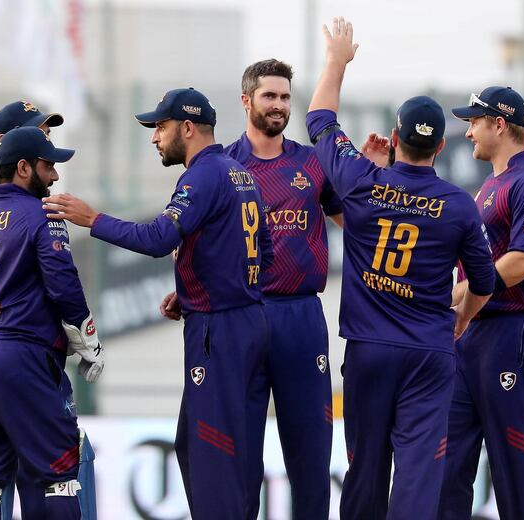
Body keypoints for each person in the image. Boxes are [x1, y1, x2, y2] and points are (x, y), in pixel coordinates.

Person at [42, 87, 274, 519]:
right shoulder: (240, 173)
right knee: (213, 448)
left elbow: (158, 239)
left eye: (160, 127)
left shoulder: (201, 176)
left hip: (219, 331)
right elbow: (265, 251)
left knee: (212, 452)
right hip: (245, 322)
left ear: (187, 127)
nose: (155, 138)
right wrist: (196, 289)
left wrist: (93, 219)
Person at [306, 17, 495, 519]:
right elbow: (484, 282)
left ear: (394, 137)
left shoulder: (363, 180)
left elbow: (320, 120)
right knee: (417, 475)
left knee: (365, 469)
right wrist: (463, 318)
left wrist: (336, 61)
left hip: (368, 351)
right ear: (440, 147)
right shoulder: (459, 206)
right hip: (429, 355)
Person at [158, 59, 343, 519]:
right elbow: (201, 239)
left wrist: (374, 178)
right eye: (269, 96)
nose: (279, 105)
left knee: (310, 455)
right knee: (232, 453)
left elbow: (353, 223)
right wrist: (192, 291)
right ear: (246, 101)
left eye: (284, 97)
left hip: (300, 318)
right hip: (241, 317)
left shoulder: (310, 162)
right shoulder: (223, 165)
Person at [0, 126, 103, 519]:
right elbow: (63, 284)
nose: (53, 176)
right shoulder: (41, 214)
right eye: (48, 166)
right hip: (22, 355)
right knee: (57, 472)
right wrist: (87, 337)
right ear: (22, 168)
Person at [438, 86, 524, 520]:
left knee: (512, 462)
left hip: (518, 328)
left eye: (473, 121)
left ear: (498, 124)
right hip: (478, 333)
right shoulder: (493, 184)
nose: (468, 131)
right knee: (446, 460)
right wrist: (465, 313)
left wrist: (458, 295)